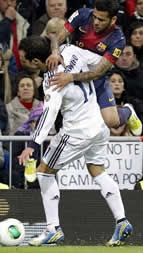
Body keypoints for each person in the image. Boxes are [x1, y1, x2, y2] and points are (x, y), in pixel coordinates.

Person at [18, 35, 133, 247]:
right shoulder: (70, 50)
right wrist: (75, 75)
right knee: (97, 169)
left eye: (24, 59)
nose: (22, 63)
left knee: (44, 172)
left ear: (35, 62)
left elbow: (49, 113)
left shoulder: (51, 80)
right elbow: (100, 65)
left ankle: (53, 229)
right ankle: (122, 221)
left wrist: (33, 145)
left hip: (77, 132)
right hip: (99, 126)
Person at [46, 0, 142, 136]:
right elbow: (57, 38)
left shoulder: (118, 39)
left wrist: (70, 78)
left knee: (111, 121)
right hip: (74, 69)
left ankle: (127, 111)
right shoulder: (82, 15)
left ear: (113, 19)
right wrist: (55, 52)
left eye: (101, 20)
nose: (96, 22)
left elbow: (97, 72)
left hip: (95, 77)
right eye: (95, 17)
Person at [109, 69, 133, 136]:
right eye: (113, 81)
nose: (117, 84)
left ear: (124, 87)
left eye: (120, 81)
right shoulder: (99, 105)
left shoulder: (131, 106)